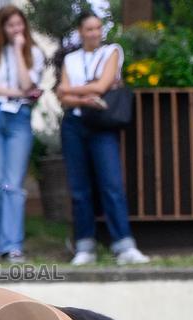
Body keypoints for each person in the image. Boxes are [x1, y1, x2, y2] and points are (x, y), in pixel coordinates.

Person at [56, 10, 150, 266]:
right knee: (79, 189)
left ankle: (124, 245)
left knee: (112, 185)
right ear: (80, 33)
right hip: (74, 124)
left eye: (98, 28)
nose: (95, 33)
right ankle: (85, 246)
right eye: (89, 29)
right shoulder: (71, 59)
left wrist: (70, 90)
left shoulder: (112, 51)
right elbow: (61, 98)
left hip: (101, 124)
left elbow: (100, 87)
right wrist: (81, 98)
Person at [0, 5, 44, 264]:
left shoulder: (34, 53)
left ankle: (12, 245)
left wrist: (18, 49)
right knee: (0, 182)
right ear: (2, 28)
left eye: (19, 25)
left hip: (19, 119)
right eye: (10, 25)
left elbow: (28, 83)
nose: (16, 30)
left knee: (13, 184)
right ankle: (3, 244)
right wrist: (19, 92)